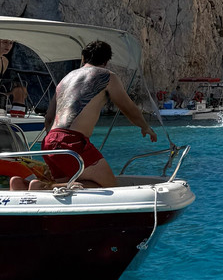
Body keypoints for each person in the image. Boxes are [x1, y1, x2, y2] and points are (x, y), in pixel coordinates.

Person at [10, 40, 157, 190]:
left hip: (50, 140)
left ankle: (23, 184)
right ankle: (42, 187)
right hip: (72, 141)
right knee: (110, 186)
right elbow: (128, 107)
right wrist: (145, 127)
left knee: (68, 186)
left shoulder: (66, 79)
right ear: (106, 61)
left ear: (83, 58)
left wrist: (55, 143)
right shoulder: (107, 77)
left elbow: (48, 118)